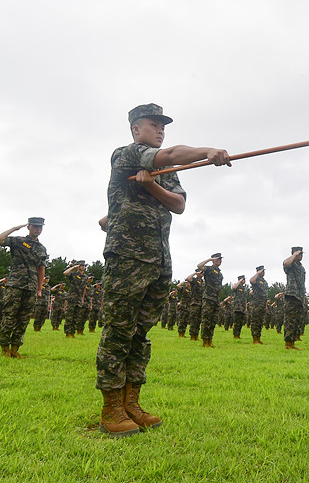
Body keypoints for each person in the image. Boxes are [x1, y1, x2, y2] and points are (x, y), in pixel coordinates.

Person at [95, 103, 230, 437]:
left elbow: (179, 204)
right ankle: (111, 406)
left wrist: (151, 186)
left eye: (163, 126)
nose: (160, 130)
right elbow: (171, 154)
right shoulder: (126, 154)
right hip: (127, 258)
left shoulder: (167, 171)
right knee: (118, 331)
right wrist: (207, 151)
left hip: (158, 260)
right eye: (153, 125)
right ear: (135, 129)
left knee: (141, 333)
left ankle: (132, 402)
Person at [0, 218, 48, 358]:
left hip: (31, 287)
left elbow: (41, 269)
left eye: (40, 227)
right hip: (15, 284)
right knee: (9, 316)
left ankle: (15, 349)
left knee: (24, 319)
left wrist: (39, 288)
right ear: (29, 226)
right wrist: (15, 228)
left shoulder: (42, 248)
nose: (38, 229)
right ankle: (4, 348)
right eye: (35, 226)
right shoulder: (18, 241)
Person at [196, 253, 223, 347]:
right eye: (218, 259)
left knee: (213, 321)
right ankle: (205, 341)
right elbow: (199, 266)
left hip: (216, 299)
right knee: (206, 320)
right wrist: (209, 259)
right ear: (214, 260)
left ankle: (210, 340)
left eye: (220, 259)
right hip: (208, 298)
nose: (220, 260)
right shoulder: (208, 269)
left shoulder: (220, 273)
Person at [282, 246, 306, 350]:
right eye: (299, 254)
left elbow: (302, 283)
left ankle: (292, 342)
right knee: (290, 320)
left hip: (299, 296)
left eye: (301, 254)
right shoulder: (290, 264)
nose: (301, 256)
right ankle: (288, 343)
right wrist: (294, 255)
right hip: (292, 295)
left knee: (297, 320)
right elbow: (286, 263)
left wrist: (303, 296)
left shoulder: (301, 267)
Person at [248, 266, 268, 344]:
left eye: (263, 271)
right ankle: (255, 339)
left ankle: (258, 338)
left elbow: (265, 294)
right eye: (262, 271)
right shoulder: (256, 280)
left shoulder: (265, 282)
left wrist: (266, 305)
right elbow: (251, 281)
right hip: (256, 304)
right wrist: (257, 273)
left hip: (262, 304)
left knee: (260, 322)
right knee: (255, 321)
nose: (263, 272)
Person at [231, 274, 248, 339]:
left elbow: (245, 299)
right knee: (237, 322)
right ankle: (235, 335)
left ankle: (238, 334)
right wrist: (239, 281)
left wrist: (246, 308)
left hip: (243, 307)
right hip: (237, 307)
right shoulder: (237, 286)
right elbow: (233, 288)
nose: (244, 280)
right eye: (243, 279)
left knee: (241, 322)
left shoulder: (244, 288)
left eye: (244, 279)